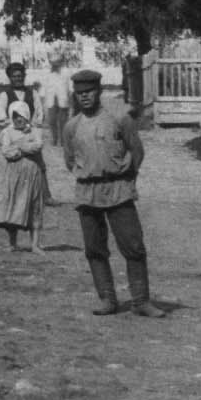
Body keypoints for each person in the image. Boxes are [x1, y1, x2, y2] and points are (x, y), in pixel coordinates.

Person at [60, 67, 157, 315]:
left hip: (118, 190)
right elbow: (70, 160)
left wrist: (126, 177)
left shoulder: (119, 119)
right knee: (94, 249)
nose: (84, 97)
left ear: (99, 91)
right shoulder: (71, 126)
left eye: (89, 92)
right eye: (79, 93)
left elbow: (137, 152)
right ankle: (107, 299)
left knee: (133, 246)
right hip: (87, 193)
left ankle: (141, 301)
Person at [0, 86, 50, 251]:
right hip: (14, 175)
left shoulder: (36, 130)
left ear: (27, 115)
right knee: (13, 204)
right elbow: (7, 153)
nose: (18, 119)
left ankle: (35, 244)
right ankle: (12, 243)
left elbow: (37, 147)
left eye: (21, 116)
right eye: (15, 116)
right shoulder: (7, 133)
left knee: (35, 206)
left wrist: (19, 146)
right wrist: (24, 146)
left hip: (32, 174)